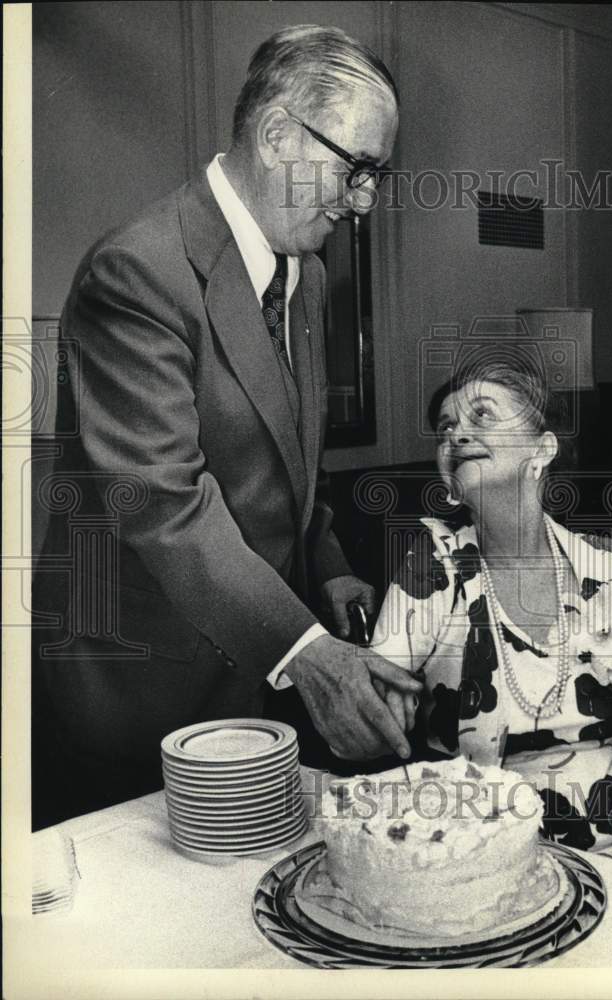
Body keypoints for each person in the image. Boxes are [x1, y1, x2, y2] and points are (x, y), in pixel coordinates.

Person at [31, 24, 421, 828]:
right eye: (357, 171)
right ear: (279, 134)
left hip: (252, 678)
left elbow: (289, 465)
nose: (364, 204)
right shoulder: (137, 272)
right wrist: (309, 654)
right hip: (138, 699)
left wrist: (330, 570)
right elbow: (163, 504)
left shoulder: (304, 278)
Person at [371, 347, 612, 883]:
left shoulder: (609, 565)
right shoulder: (432, 564)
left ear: (542, 448)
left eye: (481, 415)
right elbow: (371, 710)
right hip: (488, 859)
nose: (455, 435)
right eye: (445, 428)